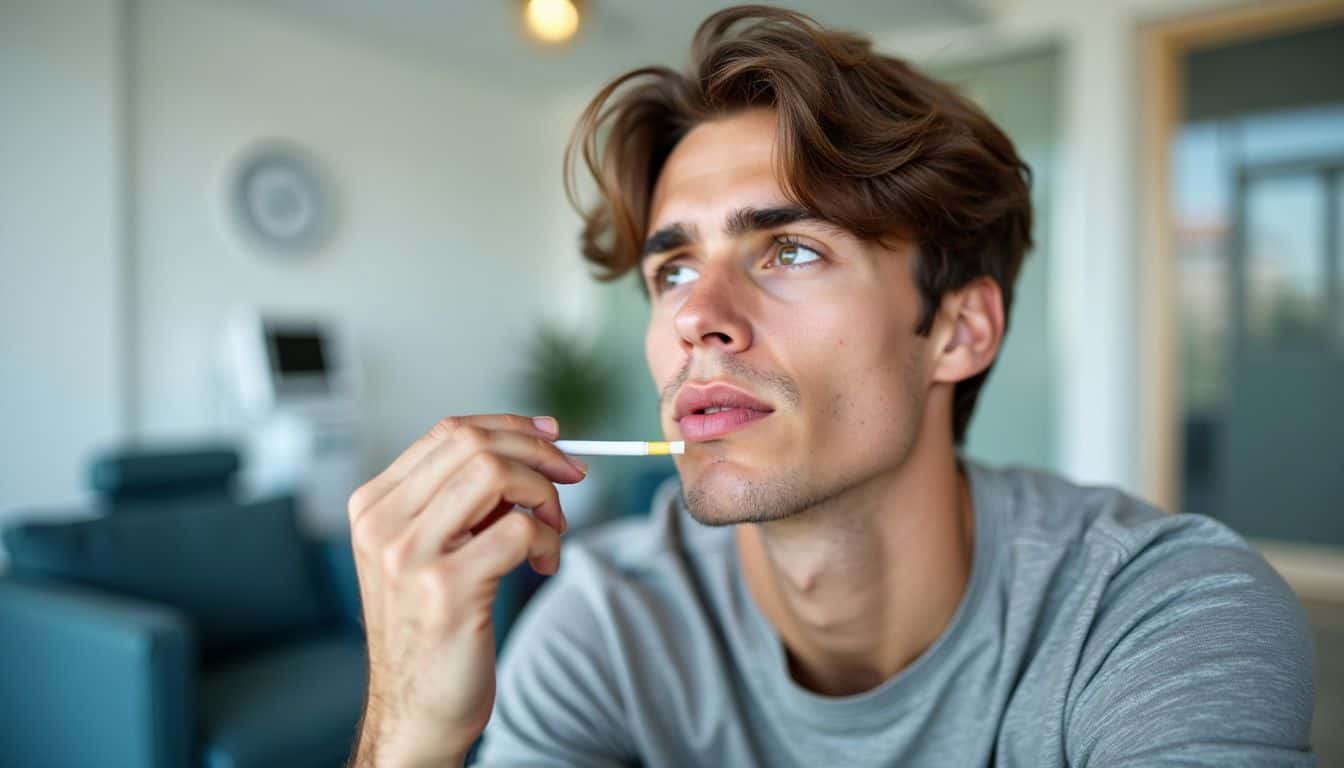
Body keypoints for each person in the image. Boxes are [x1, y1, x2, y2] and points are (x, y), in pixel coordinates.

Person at [347, 6, 1316, 767]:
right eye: (672, 271)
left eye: (792, 250)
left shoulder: (1161, 614)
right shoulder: (603, 625)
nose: (696, 317)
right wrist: (408, 736)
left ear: (958, 331)